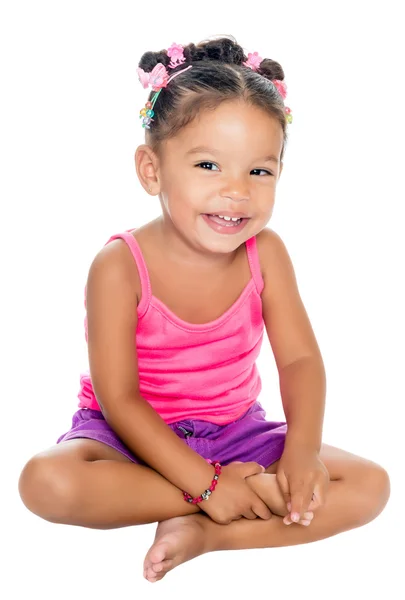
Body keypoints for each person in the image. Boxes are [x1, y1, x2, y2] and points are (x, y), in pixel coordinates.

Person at [18, 35, 390, 583]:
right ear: (152, 170)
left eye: (259, 172)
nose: (236, 192)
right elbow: (119, 399)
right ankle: (223, 496)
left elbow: (299, 362)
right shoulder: (118, 266)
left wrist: (302, 453)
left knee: (370, 487)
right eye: (210, 165)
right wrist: (208, 483)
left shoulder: (267, 254)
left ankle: (208, 531)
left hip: (236, 432)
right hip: (129, 440)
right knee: (45, 483)